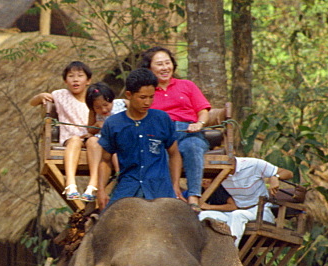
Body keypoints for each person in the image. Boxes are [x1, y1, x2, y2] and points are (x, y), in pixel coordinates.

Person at [96, 68, 181, 208]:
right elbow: (105, 161)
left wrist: (175, 185)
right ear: (129, 95)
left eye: (151, 97)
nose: (147, 102)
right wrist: (101, 191)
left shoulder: (162, 119)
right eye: (142, 97)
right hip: (127, 188)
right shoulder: (113, 124)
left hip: (160, 189)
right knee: (107, 224)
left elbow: (174, 154)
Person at [140, 46, 212, 209]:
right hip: (160, 135)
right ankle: (168, 194)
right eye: (159, 64)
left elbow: (203, 111)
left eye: (168, 63)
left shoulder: (187, 85)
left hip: (188, 132)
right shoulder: (146, 91)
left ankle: (193, 196)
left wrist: (198, 124)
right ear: (149, 68)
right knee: (157, 151)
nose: (165, 68)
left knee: (193, 147)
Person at [29, 61, 94, 201]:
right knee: (75, 140)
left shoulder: (94, 99)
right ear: (65, 80)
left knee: (94, 143)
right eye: (71, 76)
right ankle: (70, 183)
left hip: (90, 139)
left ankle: (92, 186)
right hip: (70, 139)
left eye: (80, 76)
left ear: (88, 80)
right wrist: (40, 97)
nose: (75, 79)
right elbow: (32, 103)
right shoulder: (60, 95)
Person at [198, 156, 293, 241]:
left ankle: (231, 254)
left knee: (238, 215)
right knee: (203, 215)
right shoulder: (219, 173)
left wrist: (275, 177)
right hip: (236, 212)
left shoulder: (254, 164)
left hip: (260, 212)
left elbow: (288, 173)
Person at [83, 82, 117, 205]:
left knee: (115, 153)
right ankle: (94, 183)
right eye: (98, 107)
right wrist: (97, 125)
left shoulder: (122, 105)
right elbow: (90, 130)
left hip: (118, 142)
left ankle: (118, 177)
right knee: (93, 141)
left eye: (106, 105)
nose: (103, 110)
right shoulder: (93, 113)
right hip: (103, 142)